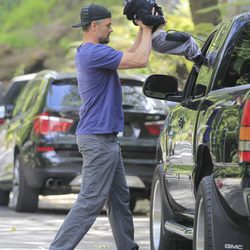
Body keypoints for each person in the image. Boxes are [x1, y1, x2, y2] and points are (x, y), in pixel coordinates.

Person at [49, 3, 152, 250]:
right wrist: (148, 28)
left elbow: (131, 54)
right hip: (97, 139)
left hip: (105, 139)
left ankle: (128, 247)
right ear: (94, 26)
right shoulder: (93, 53)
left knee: (119, 200)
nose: (112, 29)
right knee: (90, 201)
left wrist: (141, 28)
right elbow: (140, 60)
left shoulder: (92, 52)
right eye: (108, 25)